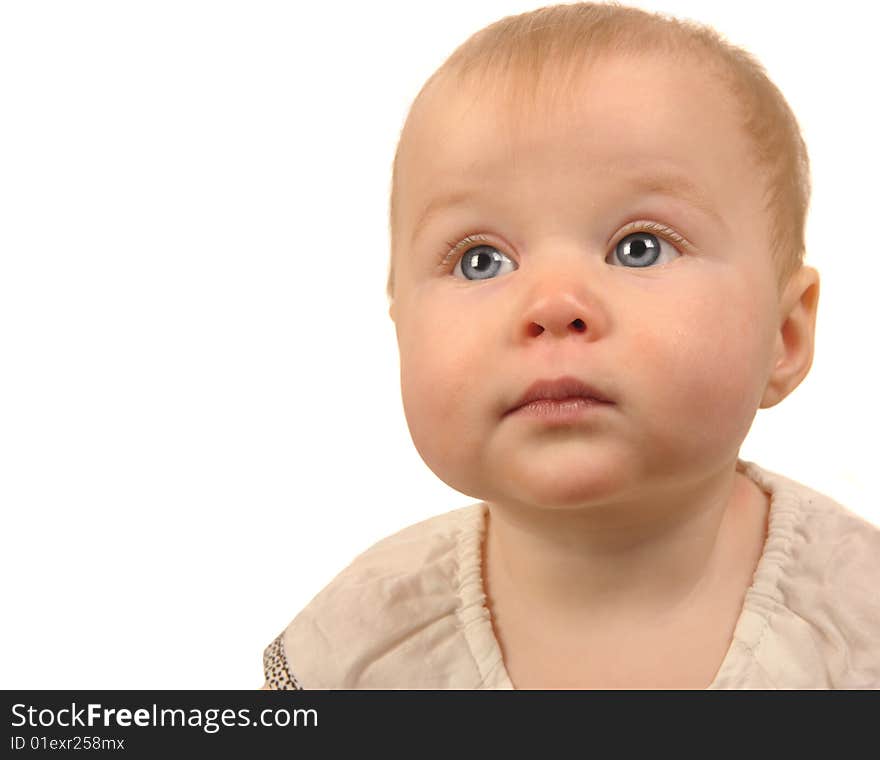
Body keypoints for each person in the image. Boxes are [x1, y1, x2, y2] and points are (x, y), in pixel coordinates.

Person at [263, 2, 880, 689]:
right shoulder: (359, 646)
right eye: (480, 261)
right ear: (400, 329)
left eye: (639, 248)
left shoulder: (857, 624)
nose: (554, 305)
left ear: (785, 336)